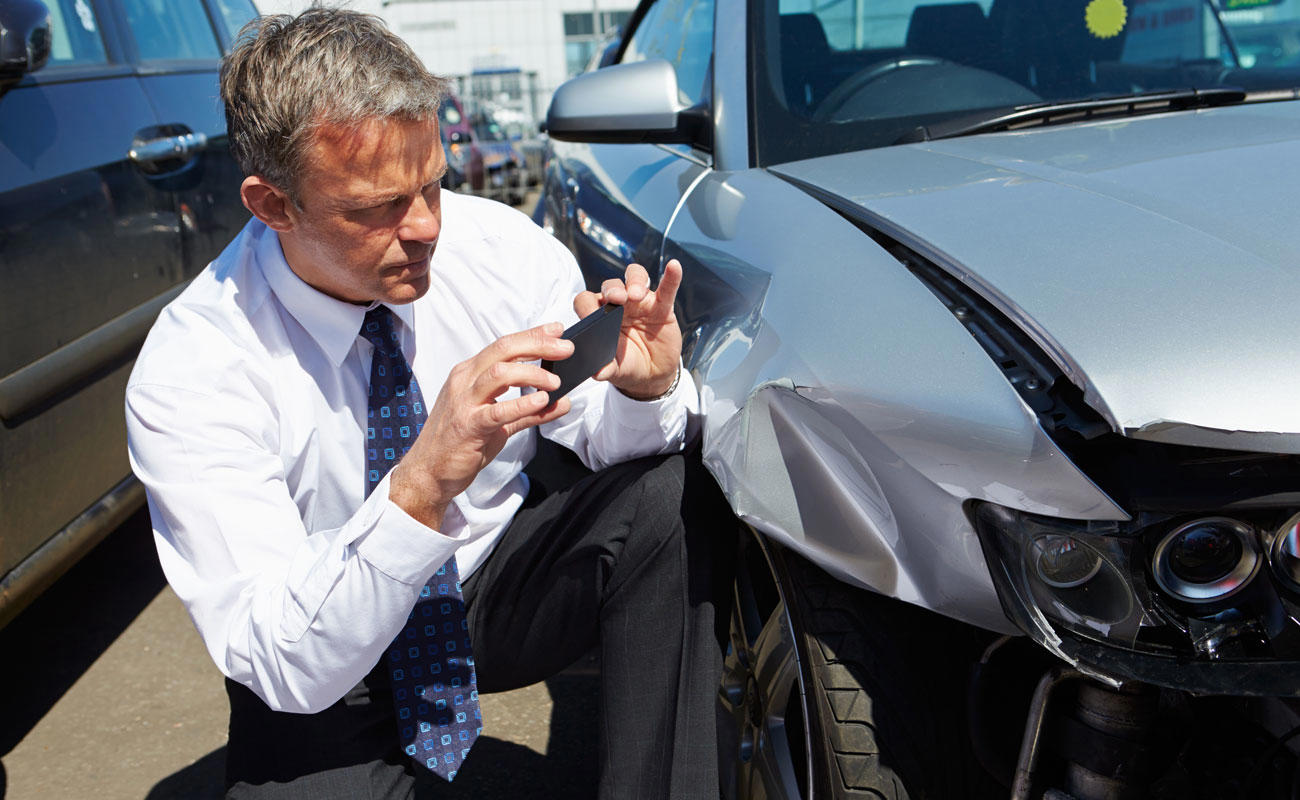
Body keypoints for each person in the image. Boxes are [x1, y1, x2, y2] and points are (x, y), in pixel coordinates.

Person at [125, 8, 732, 799]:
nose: (425, 228)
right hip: (327, 645)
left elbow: (595, 435)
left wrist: (642, 392)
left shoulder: (499, 250)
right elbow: (278, 653)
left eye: (433, 185)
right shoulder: (196, 367)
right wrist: (421, 482)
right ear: (272, 205)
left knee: (669, 496)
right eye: (375, 207)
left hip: (487, 585)